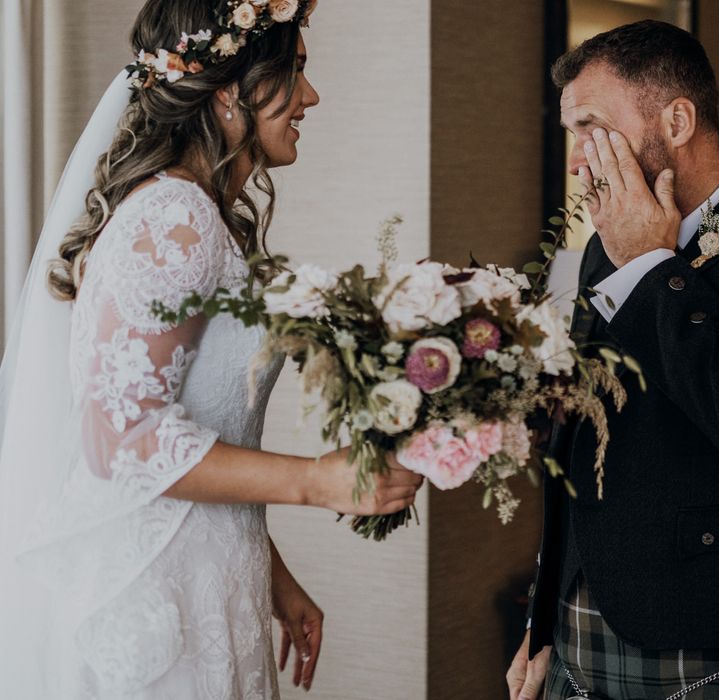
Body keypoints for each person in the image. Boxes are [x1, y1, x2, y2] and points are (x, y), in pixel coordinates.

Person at [0, 1, 422, 698]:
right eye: (295, 74)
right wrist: (317, 479)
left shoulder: (197, 213)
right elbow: (121, 439)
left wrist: (270, 571)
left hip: (207, 573)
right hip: (161, 608)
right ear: (229, 91)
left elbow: (194, 429)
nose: (310, 97)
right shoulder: (174, 218)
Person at [507, 20, 719, 700]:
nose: (575, 160)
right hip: (581, 625)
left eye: (590, 126)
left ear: (677, 120)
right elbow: (584, 442)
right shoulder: (603, 240)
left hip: (714, 633)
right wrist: (541, 623)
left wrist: (654, 265)